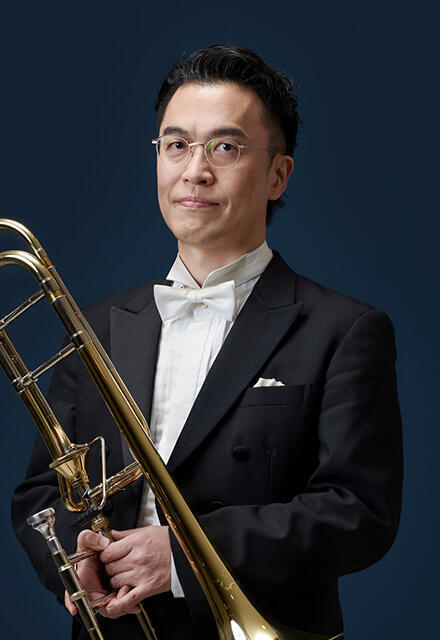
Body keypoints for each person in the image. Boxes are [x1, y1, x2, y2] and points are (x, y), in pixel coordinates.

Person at [11, 45, 403, 640]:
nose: (194, 171)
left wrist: (186, 556)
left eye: (225, 148)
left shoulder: (344, 330)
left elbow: (360, 512)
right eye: (176, 145)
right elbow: (43, 490)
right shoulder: (93, 326)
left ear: (278, 175)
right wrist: (72, 559)